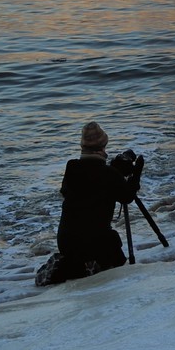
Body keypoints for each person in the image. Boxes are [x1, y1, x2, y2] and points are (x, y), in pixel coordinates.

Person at [34, 121, 141, 287]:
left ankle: (74, 265)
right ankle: (82, 268)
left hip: (66, 242)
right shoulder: (109, 174)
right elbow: (127, 197)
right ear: (102, 146)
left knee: (95, 245)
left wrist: (114, 172)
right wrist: (135, 176)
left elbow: (81, 186)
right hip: (93, 243)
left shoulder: (72, 167)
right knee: (115, 252)